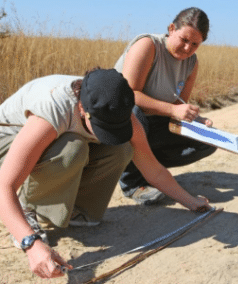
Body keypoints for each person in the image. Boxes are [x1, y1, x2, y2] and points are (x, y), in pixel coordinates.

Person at [0, 68, 210, 279]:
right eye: (103, 126)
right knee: (72, 149)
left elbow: (152, 168)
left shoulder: (119, 109)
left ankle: (78, 212)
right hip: (8, 139)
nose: (110, 131)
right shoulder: (54, 108)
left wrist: (190, 201)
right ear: (82, 107)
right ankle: (28, 210)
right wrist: (30, 243)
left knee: (122, 147)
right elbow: (4, 185)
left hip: (56, 138)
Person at [114, 7, 217, 205]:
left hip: (154, 123)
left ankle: (151, 171)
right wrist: (173, 110)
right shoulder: (148, 45)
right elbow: (129, 95)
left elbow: (179, 104)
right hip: (123, 122)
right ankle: (133, 184)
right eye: (184, 40)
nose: (187, 48)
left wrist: (196, 119)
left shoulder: (191, 63)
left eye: (195, 44)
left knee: (208, 141)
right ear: (171, 29)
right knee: (134, 113)